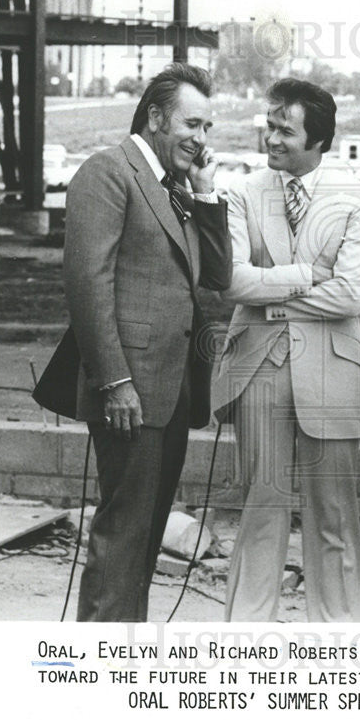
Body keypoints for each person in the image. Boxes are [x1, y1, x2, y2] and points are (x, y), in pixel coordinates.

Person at [61, 63, 232, 621]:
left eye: (207, 127)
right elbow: (89, 283)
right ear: (156, 116)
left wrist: (206, 195)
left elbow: (217, 276)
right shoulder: (109, 171)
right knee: (123, 534)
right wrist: (113, 381)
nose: (200, 139)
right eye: (192, 123)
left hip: (169, 391)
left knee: (144, 536)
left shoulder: (174, 187)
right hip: (129, 393)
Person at [211, 78, 360, 622]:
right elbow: (231, 282)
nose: (272, 138)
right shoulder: (241, 192)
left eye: (286, 130)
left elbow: (352, 295)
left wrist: (273, 296)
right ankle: (243, 641)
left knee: (334, 516)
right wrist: (309, 276)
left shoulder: (355, 197)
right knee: (261, 507)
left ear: (318, 140)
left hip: (333, 372)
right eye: (270, 126)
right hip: (258, 367)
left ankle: (338, 642)